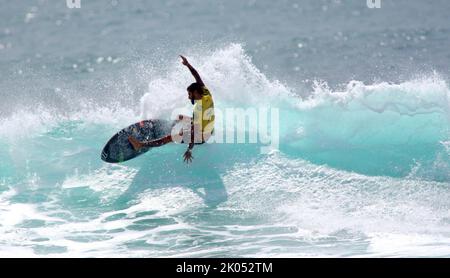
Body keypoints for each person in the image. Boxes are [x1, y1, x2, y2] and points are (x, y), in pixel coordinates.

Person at [128, 55, 215, 163]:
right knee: (180, 117)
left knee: (170, 137)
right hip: (207, 127)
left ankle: (140, 145)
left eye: (190, 94)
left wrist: (189, 149)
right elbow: (197, 76)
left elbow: (193, 134)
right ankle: (171, 128)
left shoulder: (201, 108)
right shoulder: (206, 93)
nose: (188, 97)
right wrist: (187, 65)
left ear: (196, 93)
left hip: (202, 136)